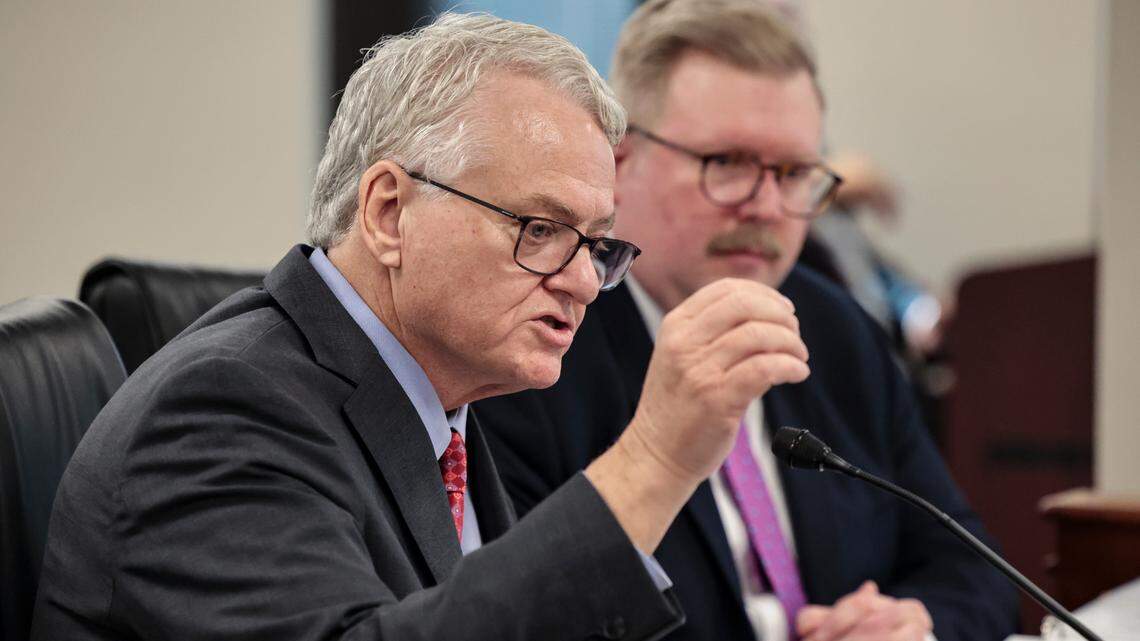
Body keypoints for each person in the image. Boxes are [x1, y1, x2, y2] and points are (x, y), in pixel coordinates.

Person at [31, 12, 817, 641]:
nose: (583, 279)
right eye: (539, 228)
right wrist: (653, 461)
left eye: (596, 243)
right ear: (387, 212)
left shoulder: (443, 400)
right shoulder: (219, 410)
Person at [474, 2, 1018, 641]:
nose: (765, 207)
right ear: (620, 165)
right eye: (726, 163)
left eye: (793, 173)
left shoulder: (836, 329)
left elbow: (972, 566)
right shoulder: (537, 344)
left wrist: (915, 624)